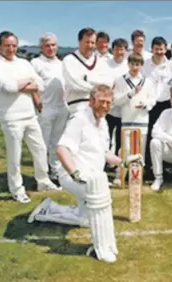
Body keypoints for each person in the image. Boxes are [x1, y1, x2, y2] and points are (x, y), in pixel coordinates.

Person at [27, 85, 142, 263]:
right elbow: (61, 149)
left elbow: (105, 154)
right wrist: (75, 173)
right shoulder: (79, 120)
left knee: (86, 218)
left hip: (92, 176)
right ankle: (99, 248)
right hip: (72, 175)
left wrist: (125, 162)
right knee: (98, 199)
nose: (105, 106)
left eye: (108, 103)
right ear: (91, 101)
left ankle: (47, 209)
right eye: (101, 102)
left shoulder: (103, 123)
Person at [0, 31, 59, 203]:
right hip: (11, 117)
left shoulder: (23, 63)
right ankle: (17, 189)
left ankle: (43, 181)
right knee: (15, 155)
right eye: (7, 45)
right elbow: (7, 87)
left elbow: (40, 85)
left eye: (14, 45)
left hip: (30, 115)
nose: (11, 49)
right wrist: (27, 82)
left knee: (40, 149)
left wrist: (21, 84)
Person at [112, 53, 156, 186]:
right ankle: (120, 176)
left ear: (142, 66)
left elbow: (153, 99)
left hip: (142, 121)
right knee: (125, 149)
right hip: (126, 120)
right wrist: (131, 94)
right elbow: (117, 101)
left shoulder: (148, 82)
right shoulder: (120, 80)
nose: (135, 67)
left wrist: (145, 104)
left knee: (140, 151)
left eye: (137, 64)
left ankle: (136, 177)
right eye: (132, 64)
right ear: (128, 64)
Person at [31, 32, 69, 183]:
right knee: (42, 144)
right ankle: (41, 175)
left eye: (53, 45)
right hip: (45, 107)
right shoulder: (36, 63)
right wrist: (37, 101)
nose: (50, 48)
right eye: (47, 45)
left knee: (57, 142)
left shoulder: (62, 63)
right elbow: (32, 84)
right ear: (41, 47)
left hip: (62, 107)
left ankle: (55, 171)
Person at [62, 28, 112, 115]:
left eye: (92, 42)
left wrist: (87, 79)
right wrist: (98, 88)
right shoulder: (69, 60)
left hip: (98, 108)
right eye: (87, 42)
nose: (90, 45)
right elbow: (74, 85)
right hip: (77, 107)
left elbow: (108, 83)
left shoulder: (100, 62)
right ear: (79, 41)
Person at [142, 36, 172, 169]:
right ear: (152, 49)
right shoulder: (145, 64)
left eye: (162, 49)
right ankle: (150, 165)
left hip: (166, 104)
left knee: (166, 133)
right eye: (157, 49)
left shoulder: (171, 66)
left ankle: (166, 165)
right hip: (150, 105)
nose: (159, 52)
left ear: (165, 48)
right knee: (150, 134)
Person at [106, 38, 129, 155]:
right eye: (117, 49)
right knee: (106, 136)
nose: (120, 52)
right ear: (112, 50)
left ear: (126, 51)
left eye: (122, 49)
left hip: (124, 108)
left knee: (121, 138)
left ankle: (118, 163)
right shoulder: (106, 64)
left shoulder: (128, 65)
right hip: (108, 108)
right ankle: (104, 162)